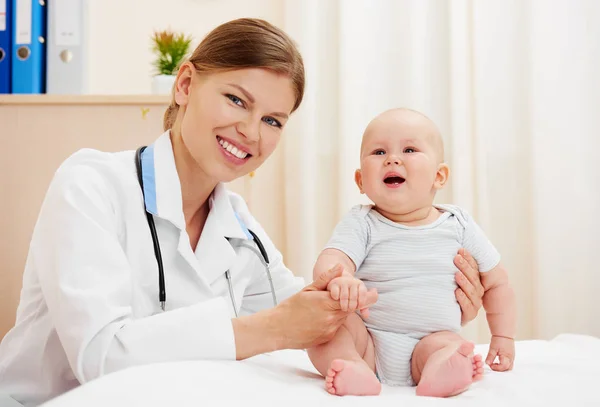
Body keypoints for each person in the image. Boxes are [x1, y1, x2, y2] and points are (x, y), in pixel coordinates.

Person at [0, 19, 485, 407]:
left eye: (272, 120)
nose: (251, 132)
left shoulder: (237, 225)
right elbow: (99, 357)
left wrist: (425, 307)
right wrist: (273, 328)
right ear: (186, 84)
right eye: (237, 100)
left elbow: (314, 313)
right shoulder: (90, 186)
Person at [307, 108, 517, 397]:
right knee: (324, 328)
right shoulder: (362, 222)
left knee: (450, 346)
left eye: (409, 149)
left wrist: (503, 336)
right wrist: (340, 279)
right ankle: (352, 367)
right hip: (367, 341)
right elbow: (332, 258)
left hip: (431, 340)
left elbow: (497, 282)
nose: (393, 158)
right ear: (360, 181)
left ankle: (443, 370)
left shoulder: (459, 225)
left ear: (439, 176)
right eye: (379, 152)